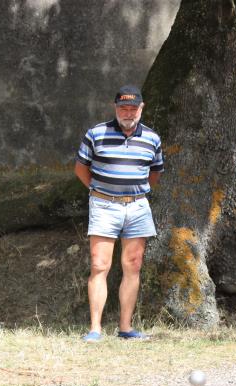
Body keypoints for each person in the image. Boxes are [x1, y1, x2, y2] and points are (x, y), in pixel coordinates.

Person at [74, 85, 164, 342]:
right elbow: (81, 169)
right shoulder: (96, 134)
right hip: (103, 205)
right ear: (115, 108)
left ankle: (125, 328)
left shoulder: (152, 138)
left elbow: (155, 174)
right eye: (123, 108)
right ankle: (95, 329)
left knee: (133, 266)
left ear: (141, 109)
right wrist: (99, 190)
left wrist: (133, 191)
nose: (128, 113)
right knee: (99, 265)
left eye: (133, 108)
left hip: (137, 206)